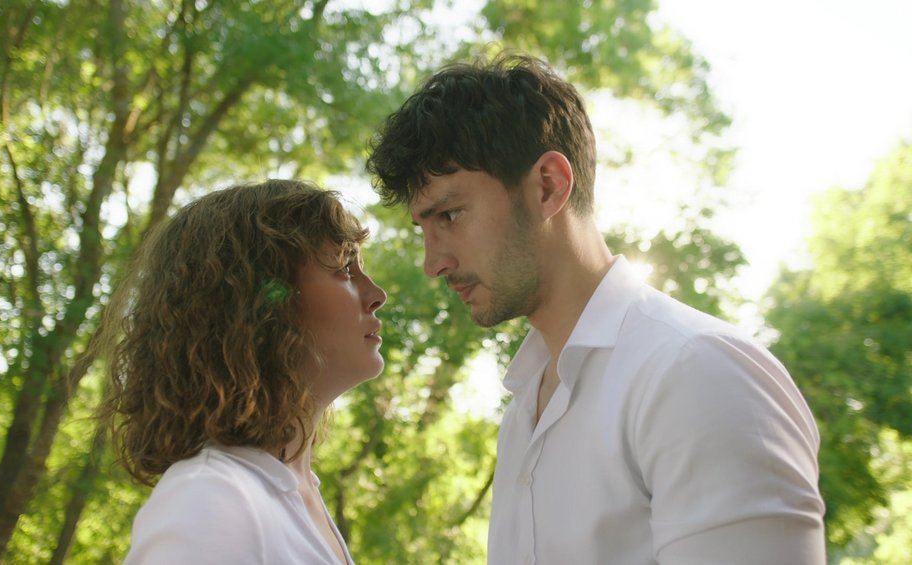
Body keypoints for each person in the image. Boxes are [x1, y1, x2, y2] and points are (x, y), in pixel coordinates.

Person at [366, 53, 825, 563]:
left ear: (548, 186)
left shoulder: (697, 373)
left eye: (450, 215)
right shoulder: (524, 410)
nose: (433, 263)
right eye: (424, 229)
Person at [94, 179, 387, 564]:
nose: (377, 294)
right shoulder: (212, 502)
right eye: (345, 267)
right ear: (263, 304)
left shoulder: (287, 494)